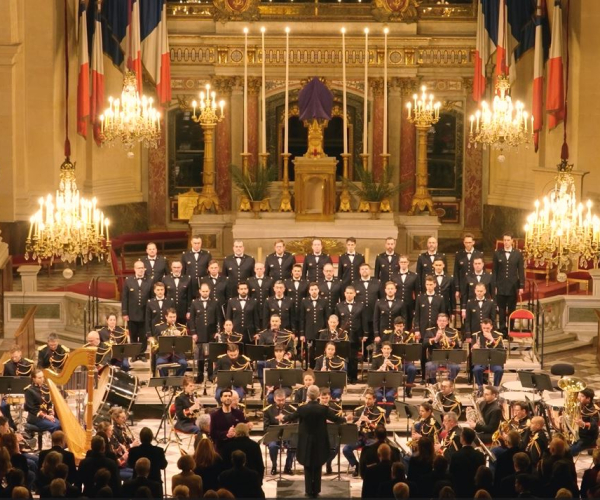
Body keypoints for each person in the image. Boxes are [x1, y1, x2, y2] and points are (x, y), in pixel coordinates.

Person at [281, 385, 346, 497]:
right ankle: (316, 490)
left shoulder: (302, 408)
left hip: (305, 441)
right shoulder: (323, 409)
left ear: (307, 395)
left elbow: (292, 417)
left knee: (307, 464)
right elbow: (336, 419)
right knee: (318, 463)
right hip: (320, 441)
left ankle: (308, 490)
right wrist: (346, 419)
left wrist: (283, 418)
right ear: (317, 396)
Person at [343, 389, 384, 477]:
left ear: (374, 400)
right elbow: (353, 426)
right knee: (346, 449)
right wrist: (356, 424)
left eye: (369, 399)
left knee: (368, 451)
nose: (367, 401)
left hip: (372, 437)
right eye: (366, 398)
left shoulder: (379, 412)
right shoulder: (359, 410)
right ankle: (357, 466)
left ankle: (370, 469)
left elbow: (381, 428)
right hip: (360, 437)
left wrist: (369, 422)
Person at [493, 232, 525, 335]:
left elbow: (520, 271)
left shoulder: (518, 254)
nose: (506, 242)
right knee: (501, 310)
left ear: (512, 241)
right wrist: (494, 286)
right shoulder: (497, 253)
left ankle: (510, 330)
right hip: (501, 286)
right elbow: (495, 271)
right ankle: (502, 331)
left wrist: (521, 286)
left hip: (512, 286)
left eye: (508, 240)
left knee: (512, 309)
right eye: (505, 240)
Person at [336, 285, 368, 384]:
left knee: (353, 358)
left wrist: (365, 333)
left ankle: (353, 377)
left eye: (351, 293)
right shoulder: (339, 305)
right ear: (344, 294)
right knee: (343, 357)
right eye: (347, 293)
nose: (349, 295)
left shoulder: (360, 305)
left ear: (354, 294)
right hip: (343, 336)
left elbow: (364, 320)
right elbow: (337, 321)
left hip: (356, 335)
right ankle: (344, 377)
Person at [122, 260, 153, 361]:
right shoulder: (128, 281)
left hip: (145, 313)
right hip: (132, 313)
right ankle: (134, 354)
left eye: (142, 268)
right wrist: (125, 312)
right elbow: (125, 298)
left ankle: (142, 354)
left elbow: (152, 298)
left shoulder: (149, 280)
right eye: (139, 268)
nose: (141, 270)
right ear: (135, 269)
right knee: (133, 335)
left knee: (143, 335)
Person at [190, 283, 221, 383]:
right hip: (199, 334)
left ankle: (211, 375)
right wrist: (194, 333)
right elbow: (191, 320)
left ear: (209, 291)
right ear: (200, 291)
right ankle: (200, 376)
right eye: (203, 291)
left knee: (211, 356)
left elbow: (218, 318)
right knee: (200, 357)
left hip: (211, 333)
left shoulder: (215, 302)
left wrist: (217, 332)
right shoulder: (194, 303)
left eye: (207, 291)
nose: (205, 293)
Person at [263, 390, 296, 475]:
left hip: (288, 435)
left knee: (293, 444)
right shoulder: (268, 410)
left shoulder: (291, 409)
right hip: (274, 435)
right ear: (274, 399)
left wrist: (286, 420)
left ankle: (288, 467)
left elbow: (296, 424)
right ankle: (274, 465)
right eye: (278, 400)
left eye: (283, 400)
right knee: (273, 446)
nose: (281, 402)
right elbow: (266, 428)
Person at [423, 313, 461, 384]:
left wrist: (450, 342)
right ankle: (434, 385)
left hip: (448, 359)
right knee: (429, 367)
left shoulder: (452, 331)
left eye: (444, 321)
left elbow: (458, 346)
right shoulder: (430, 331)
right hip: (434, 359)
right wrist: (435, 339)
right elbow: (424, 344)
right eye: (440, 321)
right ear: (437, 321)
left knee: (456, 367)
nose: (442, 323)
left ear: (447, 322)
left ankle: (449, 383)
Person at [448, 427, 485, 498]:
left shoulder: (456, 455)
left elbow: (451, 473)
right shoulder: (480, 455)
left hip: (459, 490)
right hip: (475, 490)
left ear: (462, 438)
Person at [1, 346, 33, 430]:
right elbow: (4, 382)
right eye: (12, 357)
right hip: (12, 393)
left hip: (26, 393)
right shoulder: (7, 365)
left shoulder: (28, 363)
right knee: (3, 406)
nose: (14, 359)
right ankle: (11, 425)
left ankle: (28, 427)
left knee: (31, 404)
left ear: (20, 353)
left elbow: (32, 380)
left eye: (16, 356)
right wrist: (5, 394)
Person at [151, 308, 189, 377]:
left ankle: (177, 382)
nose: (173, 319)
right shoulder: (159, 328)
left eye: (174, 317)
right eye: (170, 317)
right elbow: (156, 342)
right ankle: (165, 383)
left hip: (178, 354)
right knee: (160, 363)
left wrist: (180, 337)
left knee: (184, 363)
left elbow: (185, 344)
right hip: (164, 354)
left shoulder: (181, 328)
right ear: (166, 317)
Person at [471, 318, 505, 393]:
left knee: (499, 370)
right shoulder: (476, 335)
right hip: (481, 360)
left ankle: (495, 388)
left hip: (494, 361)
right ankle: (480, 387)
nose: (486, 330)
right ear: (481, 327)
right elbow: (472, 350)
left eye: (488, 328)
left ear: (491, 327)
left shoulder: (498, 335)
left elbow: (501, 350)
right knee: (476, 369)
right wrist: (474, 347)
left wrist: (492, 340)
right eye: (484, 328)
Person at [370, 342, 402, 415]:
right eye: (384, 348)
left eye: (388, 349)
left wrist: (392, 365)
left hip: (391, 385)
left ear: (391, 350)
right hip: (378, 385)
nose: (386, 351)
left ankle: (386, 415)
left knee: (389, 396)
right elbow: (372, 372)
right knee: (378, 396)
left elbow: (400, 372)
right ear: (382, 350)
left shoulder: (396, 359)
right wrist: (380, 370)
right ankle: (378, 415)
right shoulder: (376, 358)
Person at [300, 283, 328, 365]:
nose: (314, 291)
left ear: (318, 290)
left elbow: (327, 318)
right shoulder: (304, 301)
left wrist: (327, 332)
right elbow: (302, 319)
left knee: (320, 352)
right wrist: (302, 334)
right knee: (310, 352)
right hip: (309, 332)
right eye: (312, 290)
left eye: (315, 289)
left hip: (321, 332)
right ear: (309, 291)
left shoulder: (324, 301)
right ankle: (311, 369)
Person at [453, 233, 484, 306]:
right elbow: (456, 272)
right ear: (463, 243)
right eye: (466, 242)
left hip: (476, 286)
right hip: (463, 286)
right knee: (464, 308)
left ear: (473, 242)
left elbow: (483, 271)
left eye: (469, 242)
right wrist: (457, 289)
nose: (468, 244)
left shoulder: (479, 254)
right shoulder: (459, 254)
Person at [353, 262, 381, 339]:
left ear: (370, 271)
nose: (364, 270)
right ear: (359, 271)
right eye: (362, 269)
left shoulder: (377, 283)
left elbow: (381, 299)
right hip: (359, 316)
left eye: (366, 269)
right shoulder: (354, 283)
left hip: (373, 314)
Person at [392, 255, 418, 331]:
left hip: (409, 304)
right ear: (399, 263)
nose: (403, 263)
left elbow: (416, 292)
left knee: (407, 325)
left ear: (408, 263)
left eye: (405, 262)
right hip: (396, 304)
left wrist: (415, 307)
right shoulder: (393, 276)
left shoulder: (414, 276)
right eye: (401, 262)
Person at [570, 387, 599, 455]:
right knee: (562, 447)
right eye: (579, 395)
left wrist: (583, 424)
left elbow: (594, 425)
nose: (579, 398)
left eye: (582, 396)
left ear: (588, 399)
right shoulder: (580, 405)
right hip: (577, 434)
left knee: (569, 452)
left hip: (588, 438)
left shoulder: (593, 410)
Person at [163, 260, 193, 325]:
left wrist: (189, 311)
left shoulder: (187, 278)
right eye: (174, 267)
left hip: (183, 310)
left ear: (181, 267)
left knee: (182, 330)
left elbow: (189, 296)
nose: (176, 269)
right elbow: (164, 295)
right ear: (171, 267)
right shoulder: (165, 279)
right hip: (169, 310)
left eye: (178, 267)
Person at [248, 263, 274, 327]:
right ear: (254, 270)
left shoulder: (270, 280)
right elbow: (249, 296)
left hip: (266, 308)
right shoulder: (249, 280)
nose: (259, 270)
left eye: (261, 269)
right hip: (254, 308)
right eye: (257, 269)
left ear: (264, 269)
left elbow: (272, 296)